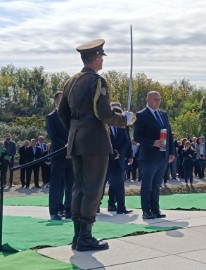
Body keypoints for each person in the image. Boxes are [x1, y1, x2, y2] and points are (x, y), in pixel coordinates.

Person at [58, 39, 134, 251]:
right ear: (96, 58)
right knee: (93, 189)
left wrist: (75, 130)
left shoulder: (71, 81)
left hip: (77, 139)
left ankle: (77, 235)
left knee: (79, 187)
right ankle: (85, 237)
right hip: (95, 141)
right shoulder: (97, 81)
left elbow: (62, 113)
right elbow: (104, 113)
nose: (102, 60)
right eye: (101, 57)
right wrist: (124, 120)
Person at [133, 91, 175, 220]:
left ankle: (155, 209)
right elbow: (137, 136)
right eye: (155, 99)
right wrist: (153, 143)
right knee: (147, 185)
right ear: (148, 100)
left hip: (163, 155)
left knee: (157, 184)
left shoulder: (163, 114)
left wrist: (172, 152)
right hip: (149, 156)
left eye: (159, 99)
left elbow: (170, 134)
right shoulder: (141, 115)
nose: (158, 101)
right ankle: (146, 210)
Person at [46, 91, 74, 220]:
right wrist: (65, 146)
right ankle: (55, 210)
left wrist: (72, 146)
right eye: (62, 100)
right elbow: (53, 136)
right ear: (56, 101)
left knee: (71, 183)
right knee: (56, 184)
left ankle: (69, 209)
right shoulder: (51, 117)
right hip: (58, 154)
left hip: (71, 154)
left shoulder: (71, 115)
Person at [107, 122, 133, 214]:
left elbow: (127, 141)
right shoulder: (104, 124)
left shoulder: (123, 126)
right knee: (101, 184)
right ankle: (97, 205)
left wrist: (128, 155)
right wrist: (113, 153)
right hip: (106, 158)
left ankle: (120, 207)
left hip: (119, 159)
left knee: (118, 182)